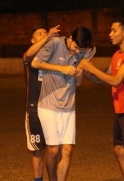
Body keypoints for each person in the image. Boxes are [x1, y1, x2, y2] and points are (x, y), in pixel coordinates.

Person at [80, 17, 124, 181]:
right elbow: (102, 78)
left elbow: (115, 80)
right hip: (120, 110)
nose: (110, 34)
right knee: (119, 149)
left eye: (114, 30)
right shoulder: (117, 55)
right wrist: (86, 70)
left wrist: (90, 67)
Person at [31, 26, 94, 181]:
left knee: (67, 150)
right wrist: (62, 69)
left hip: (68, 105)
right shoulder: (54, 43)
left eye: (82, 49)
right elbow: (35, 63)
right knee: (53, 151)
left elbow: (78, 83)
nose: (78, 51)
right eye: (76, 47)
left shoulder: (81, 53)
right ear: (70, 38)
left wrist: (81, 68)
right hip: (48, 105)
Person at [23, 24, 62, 181]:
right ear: (33, 40)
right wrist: (48, 38)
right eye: (40, 34)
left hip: (53, 109)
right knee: (38, 151)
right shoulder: (30, 57)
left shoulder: (54, 58)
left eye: (45, 33)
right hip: (34, 110)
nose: (44, 35)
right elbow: (27, 54)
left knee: (55, 149)